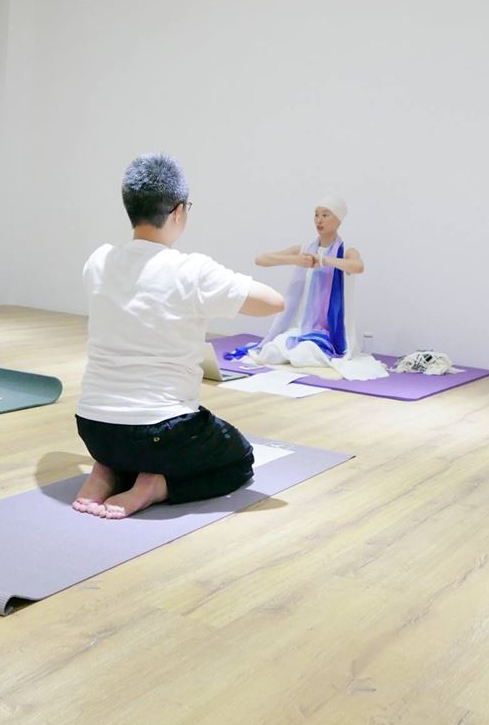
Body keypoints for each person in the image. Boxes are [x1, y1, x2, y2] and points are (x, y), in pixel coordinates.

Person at [72, 153, 285, 520]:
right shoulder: (192, 271)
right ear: (178, 211)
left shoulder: (99, 260)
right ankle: (157, 486)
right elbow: (274, 302)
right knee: (240, 459)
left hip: (93, 429)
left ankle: (105, 470)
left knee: (125, 439)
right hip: (162, 432)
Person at [234, 197, 366, 368]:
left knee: (301, 355)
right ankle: (290, 347)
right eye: (316, 215)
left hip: (324, 333)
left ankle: (309, 349)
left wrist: (324, 260)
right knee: (270, 353)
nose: (319, 220)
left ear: (338, 220)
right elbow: (260, 259)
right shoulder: (304, 250)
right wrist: (295, 260)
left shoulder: (346, 251)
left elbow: (357, 267)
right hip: (298, 329)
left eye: (325, 215)